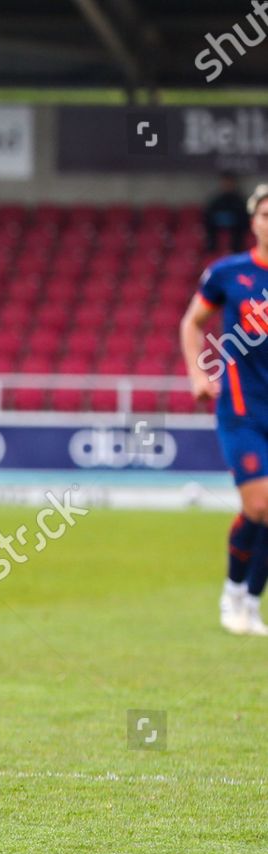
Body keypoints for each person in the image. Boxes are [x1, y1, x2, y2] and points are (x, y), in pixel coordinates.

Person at [179, 182, 268, 636]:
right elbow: (192, 323)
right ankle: (234, 593)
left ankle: (250, 605)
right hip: (242, 408)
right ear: (254, 221)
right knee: (262, 505)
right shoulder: (228, 273)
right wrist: (198, 373)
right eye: (266, 214)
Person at [205, 172, 250, 255]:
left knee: (240, 227)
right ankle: (212, 251)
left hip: (236, 224)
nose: (227, 185)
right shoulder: (217, 199)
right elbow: (210, 213)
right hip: (218, 223)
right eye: (225, 182)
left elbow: (244, 215)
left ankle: (236, 251)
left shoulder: (239, 199)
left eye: (229, 182)